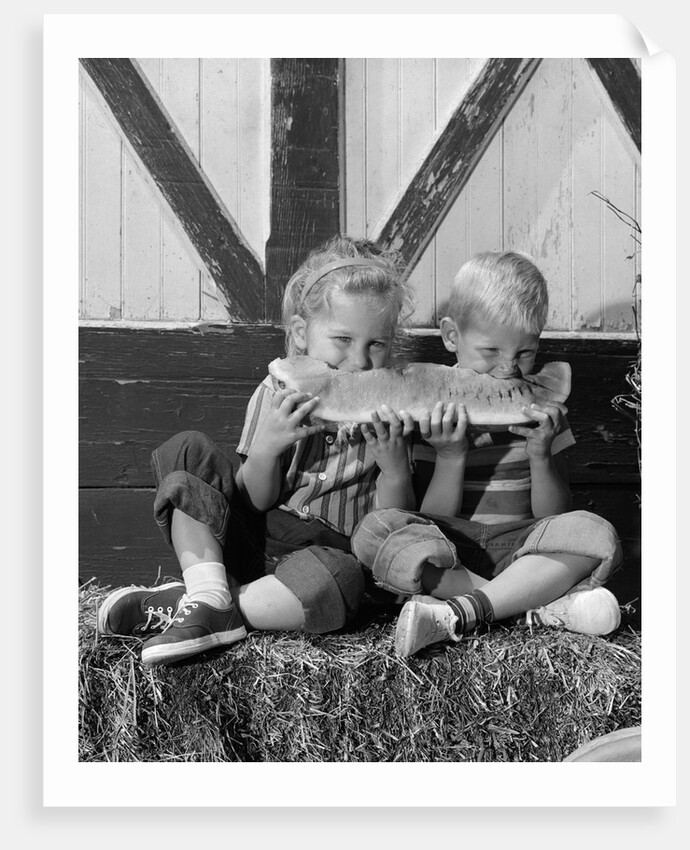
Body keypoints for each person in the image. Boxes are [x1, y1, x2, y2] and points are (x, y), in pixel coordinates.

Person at [97, 235, 417, 666]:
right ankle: (209, 589)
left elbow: (391, 527)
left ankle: (205, 607)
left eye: (376, 344)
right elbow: (255, 499)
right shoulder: (275, 392)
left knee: (339, 581)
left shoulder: (396, 413)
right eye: (342, 338)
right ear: (302, 334)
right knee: (187, 449)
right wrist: (267, 448)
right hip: (256, 541)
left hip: (329, 558)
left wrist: (395, 469)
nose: (359, 361)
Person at [350, 251, 623, 657]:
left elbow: (554, 515)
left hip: (524, 550)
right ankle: (530, 609)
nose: (507, 370)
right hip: (450, 551)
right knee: (375, 532)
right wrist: (449, 456)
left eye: (525, 353)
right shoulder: (428, 413)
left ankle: (464, 612)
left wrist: (541, 455)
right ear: (450, 336)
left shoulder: (544, 416)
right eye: (491, 351)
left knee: (594, 529)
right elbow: (430, 517)